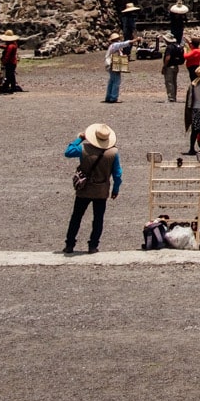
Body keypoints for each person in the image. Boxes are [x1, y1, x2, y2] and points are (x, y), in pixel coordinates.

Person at [62, 122, 120, 255]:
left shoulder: (84, 149)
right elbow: (118, 174)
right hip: (101, 190)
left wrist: (80, 138)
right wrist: (115, 189)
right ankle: (93, 246)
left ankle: (70, 244)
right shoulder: (113, 152)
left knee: (76, 217)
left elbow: (68, 152)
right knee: (98, 219)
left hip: (85, 189)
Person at [103, 36, 131, 104]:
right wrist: (135, 40)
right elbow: (124, 44)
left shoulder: (113, 46)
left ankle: (108, 96)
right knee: (116, 81)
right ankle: (113, 97)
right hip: (113, 65)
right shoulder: (115, 45)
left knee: (112, 81)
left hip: (111, 65)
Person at [161, 31, 185, 103]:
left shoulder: (169, 47)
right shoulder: (178, 46)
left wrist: (164, 66)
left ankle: (171, 97)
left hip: (170, 66)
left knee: (169, 82)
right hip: (176, 66)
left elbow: (168, 57)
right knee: (174, 82)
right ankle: (174, 96)